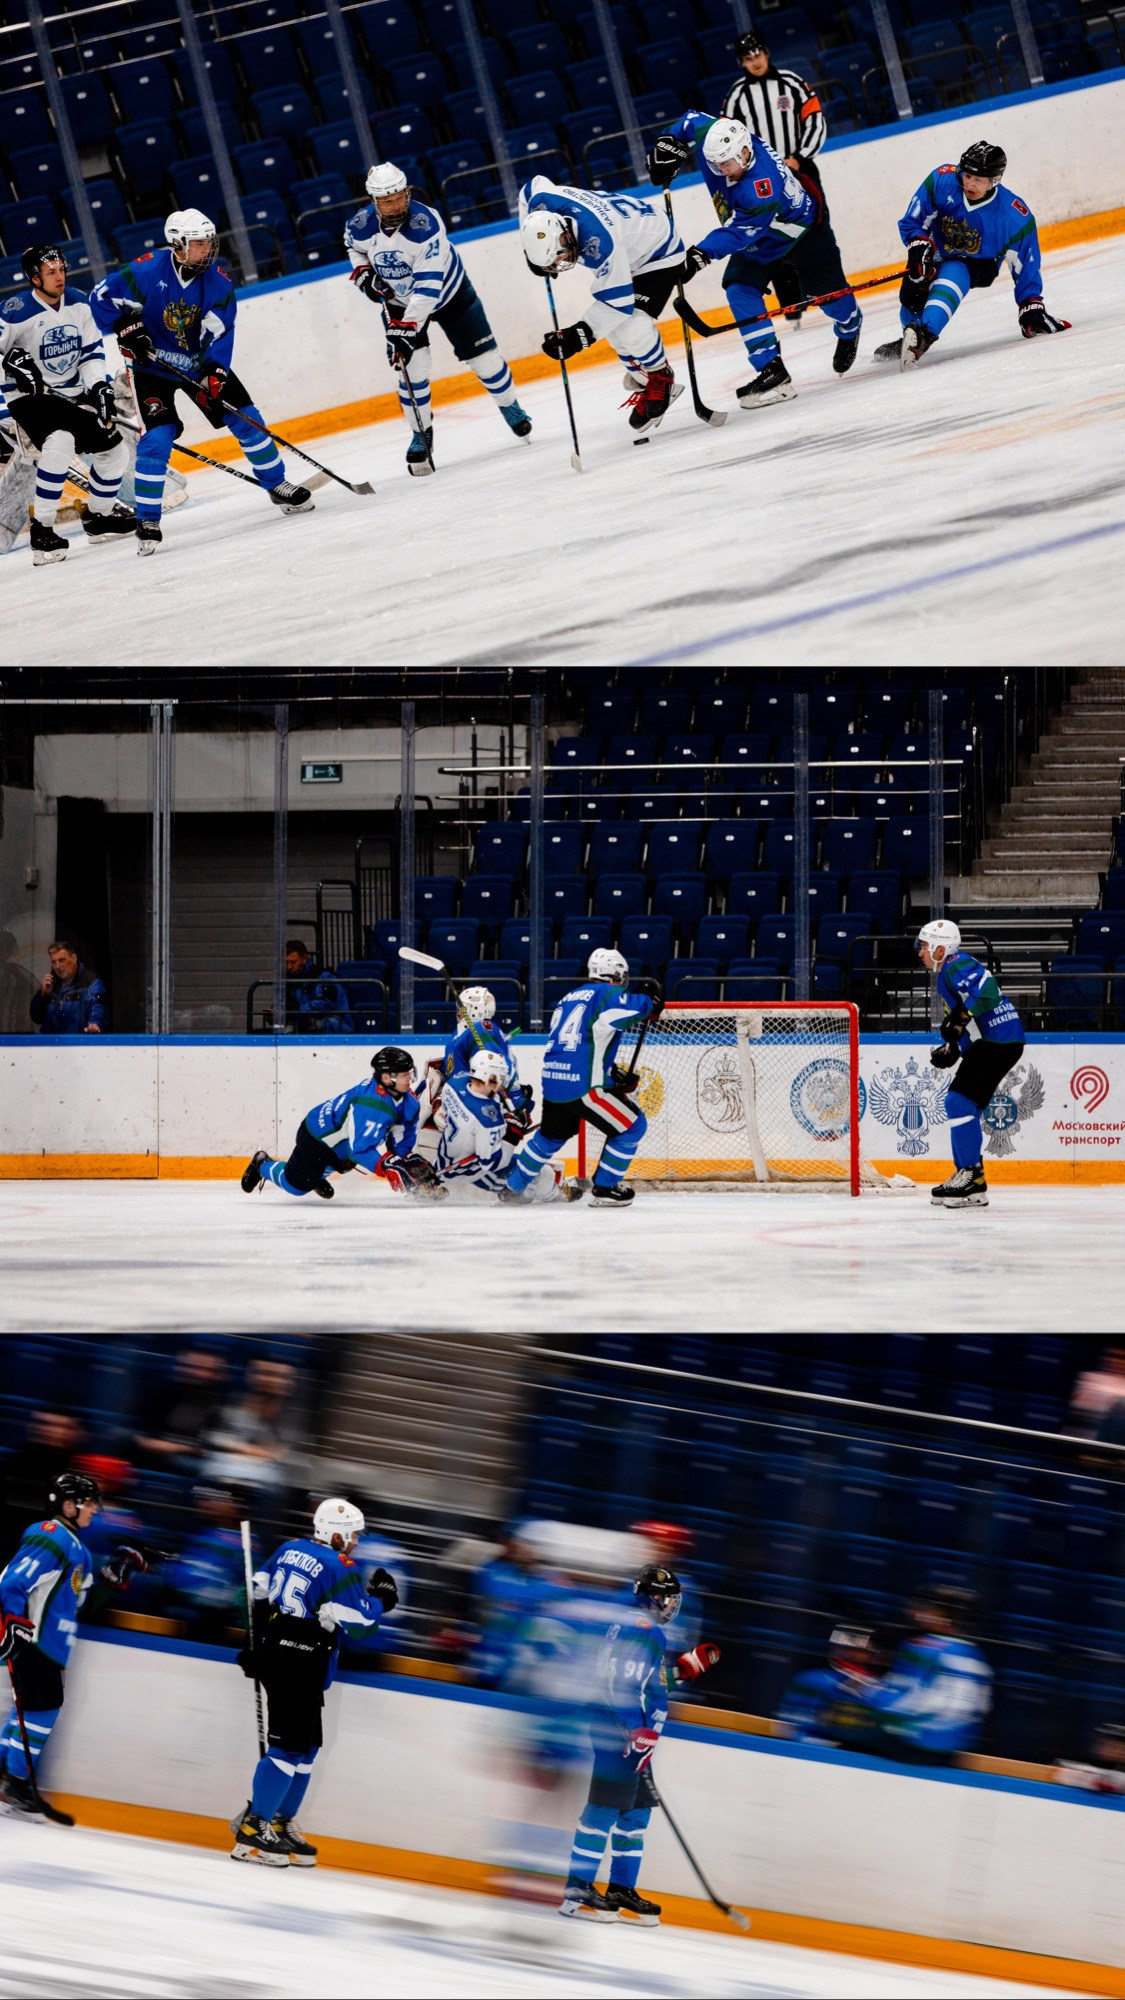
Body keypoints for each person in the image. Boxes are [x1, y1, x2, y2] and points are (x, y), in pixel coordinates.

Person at [89, 209, 313, 553]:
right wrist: (125, 327)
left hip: (197, 364)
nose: (207, 249)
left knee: (247, 418)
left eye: (209, 242)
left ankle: (277, 484)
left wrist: (215, 372)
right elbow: (100, 297)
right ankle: (147, 519)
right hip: (150, 368)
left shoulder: (218, 281)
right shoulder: (145, 270)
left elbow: (221, 330)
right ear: (177, 245)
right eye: (199, 244)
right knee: (156, 440)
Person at [230, 1496, 398, 1866]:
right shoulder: (339, 1565)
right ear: (336, 1534)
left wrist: (254, 1640)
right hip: (301, 1657)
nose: (355, 1542)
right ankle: (254, 1826)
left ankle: (278, 1821)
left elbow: (251, 1593)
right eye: (352, 1535)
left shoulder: (288, 1548)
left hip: (284, 1653)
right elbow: (361, 1625)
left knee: (306, 1749)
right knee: (290, 1748)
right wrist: (381, 1601)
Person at [648, 115, 861, 402]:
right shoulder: (722, 139)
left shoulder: (761, 188)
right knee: (739, 287)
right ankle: (771, 368)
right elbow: (690, 120)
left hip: (802, 228)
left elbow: (740, 233)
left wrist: (700, 255)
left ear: (745, 153)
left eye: (726, 164)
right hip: (764, 231)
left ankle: (850, 327)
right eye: (715, 164)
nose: (721, 170)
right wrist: (668, 142)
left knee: (828, 295)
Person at [559, 1562, 720, 1924]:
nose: (673, 1606)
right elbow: (617, 1684)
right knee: (602, 1809)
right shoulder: (642, 1628)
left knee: (635, 1812)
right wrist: (635, 1729)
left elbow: (649, 1681)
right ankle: (577, 1889)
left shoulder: (634, 1626)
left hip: (633, 1735)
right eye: (670, 1599)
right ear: (656, 1598)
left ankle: (620, 1888)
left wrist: (683, 1669)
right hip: (619, 1731)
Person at [345, 163, 530, 476]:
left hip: (450, 295)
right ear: (375, 202)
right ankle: (421, 433)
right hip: (398, 303)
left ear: (407, 192)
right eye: (387, 200)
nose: (396, 204)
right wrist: (364, 275)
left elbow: (428, 290)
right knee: (412, 369)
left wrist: (407, 328)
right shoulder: (360, 224)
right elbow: (354, 248)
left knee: (485, 360)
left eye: (400, 196)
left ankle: (510, 405)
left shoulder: (426, 224)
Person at [0, 1469, 150, 1816]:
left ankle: (9, 1775)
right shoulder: (52, 1535)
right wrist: (13, 1621)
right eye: (88, 1503)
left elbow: (78, 1603)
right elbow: (11, 1583)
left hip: (48, 1642)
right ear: (68, 1505)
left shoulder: (76, 1548)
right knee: (42, 1709)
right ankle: (17, 1783)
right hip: (35, 1640)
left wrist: (112, 1578)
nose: (94, 1510)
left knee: (28, 1709)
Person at [874, 143, 1069, 369]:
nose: (969, 183)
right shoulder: (941, 181)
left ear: (995, 180)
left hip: (979, 262)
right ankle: (912, 332)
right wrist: (918, 243)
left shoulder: (1014, 216)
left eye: (978, 179)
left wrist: (1030, 304)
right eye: (966, 175)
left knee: (955, 270)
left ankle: (924, 334)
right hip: (937, 251)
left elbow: (1025, 263)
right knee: (912, 292)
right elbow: (912, 221)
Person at [519, 176, 686, 438]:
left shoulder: (599, 241)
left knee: (629, 327)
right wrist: (532, 253)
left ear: (564, 236)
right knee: (616, 330)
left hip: (657, 252)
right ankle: (645, 381)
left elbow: (617, 304)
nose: (558, 263)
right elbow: (532, 184)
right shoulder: (540, 205)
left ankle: (660, 378)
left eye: (558, 256)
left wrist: (576, 337)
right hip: (628, 243)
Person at [0, 243, 134, 565]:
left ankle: (99, 517)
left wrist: (99, 385)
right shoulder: (14, 311)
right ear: (34, 278)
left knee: (116, 452)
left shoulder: (78, 302)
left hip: (72, 393)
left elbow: (90, 353)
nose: (59, 277)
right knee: (60, 441)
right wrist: (12, 364)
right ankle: (42, 529)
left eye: (61, 270)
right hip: (29, 398)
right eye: (50, 272)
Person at [502, 949, 658, 1206]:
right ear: (616, 974)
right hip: (583, 1086)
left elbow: (582, 1044)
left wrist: (611, 1076)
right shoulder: (608, 993)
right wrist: (652, 1002)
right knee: (632, 1126)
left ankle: (513, 1188)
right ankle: (606, 1188)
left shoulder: (568, 997)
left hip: (553, 1081)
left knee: (550, 1137)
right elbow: (639, 1007)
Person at [721, 28, 828, 329]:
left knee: (814, 229)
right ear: (741, 62)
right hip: (759, 181)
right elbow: (725, 137)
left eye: (757, 54)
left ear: (766, 53)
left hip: (799, 168)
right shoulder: (736, 97)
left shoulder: (791, 83)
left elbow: (815, 118)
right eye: (747, 58)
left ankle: (825, 289)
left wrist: (800, 157)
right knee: (772, 235)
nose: (754, 61)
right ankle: (792, 306)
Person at [916, 918, 1024, 1208]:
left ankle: (970, 1177)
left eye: (925, 946)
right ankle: (972, 1182)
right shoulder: (951, 970)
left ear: (941, 949)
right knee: (968, 1107)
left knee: (958, 1103)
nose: (920, 953)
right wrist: (953, 1046)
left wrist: (960, 1020)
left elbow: (987, 993)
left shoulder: (955, 964)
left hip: (998, 1042)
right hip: (999, 1042)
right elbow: (968, 1019)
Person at [240, 1045, 442, 1200]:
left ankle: (315, 1176)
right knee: (296, 1187)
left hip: (341, 1143)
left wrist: (405, 1158)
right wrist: (386, 1166)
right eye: (405, 1074)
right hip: (317, 1139)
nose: (411, 1078)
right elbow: (360, 1150)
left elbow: (400, 1136)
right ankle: (262, 1164)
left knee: (343, 1163)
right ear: (387, 1078)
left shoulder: (408, 1101)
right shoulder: (372, 1106)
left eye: (410, 1072)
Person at [436, 1047, 576, 1200]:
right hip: (467, 1171)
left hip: (444, 1158)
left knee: (530, 1167)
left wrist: (509, 1118)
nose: (501, 1084)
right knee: (542, 1173)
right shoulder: (487, 1121)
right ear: (489, 1077)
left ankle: (532, 1192)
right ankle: (555, 1196)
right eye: (499, 1079)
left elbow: (478, 1109)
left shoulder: (456, 1083)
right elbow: (493, 1164)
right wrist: (512, 1136)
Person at [29, 938, 108, 1034]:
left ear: (73, 958)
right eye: (53, 962)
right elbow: (36, 1018)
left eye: (61, 960)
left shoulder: (91, 982)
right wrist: (43, 995)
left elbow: (98, 1008)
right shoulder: (51, 984)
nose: (57, 966)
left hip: (77, 1045)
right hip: (50, 1046)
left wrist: (95, 1024)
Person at [282, 941, 353, 1034]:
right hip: (302, 1026)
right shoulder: (287, 980)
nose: (289, 967)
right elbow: (283, 1002)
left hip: (335, 1028)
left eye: (293, 962)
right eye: (286, 962)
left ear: (304, 959)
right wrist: (277, 1014)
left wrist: (296, 1012)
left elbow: (325, 1004)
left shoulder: (324, 977)